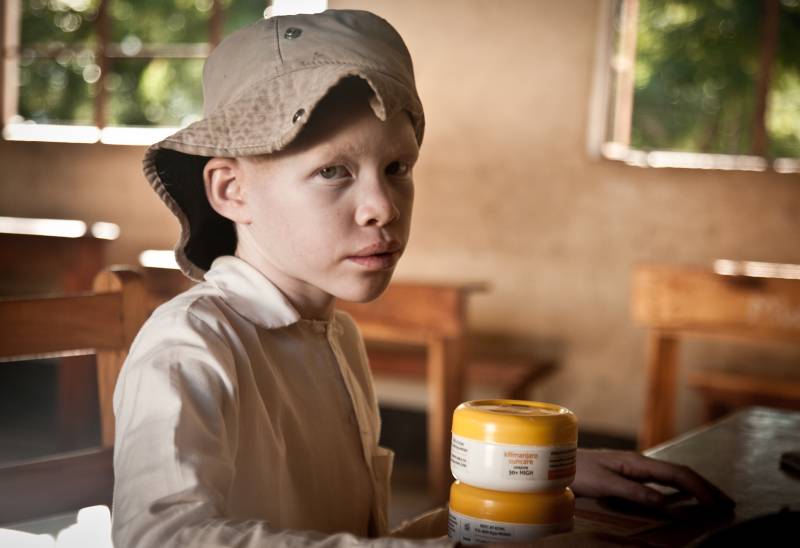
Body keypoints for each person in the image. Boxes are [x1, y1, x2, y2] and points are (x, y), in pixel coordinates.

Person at [112, 9, 733, 548]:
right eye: (333, 171)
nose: (382, 205)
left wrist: (522, 487)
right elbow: (160, 538)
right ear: (230, 190)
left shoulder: (336, 338)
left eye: (397, 166)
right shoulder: (190, 345)